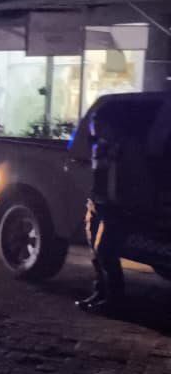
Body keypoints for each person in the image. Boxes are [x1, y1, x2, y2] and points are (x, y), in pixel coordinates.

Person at [77, 104, 127, 312]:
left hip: (112, 206)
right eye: (94, 123)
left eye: (99, 123)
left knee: (105, 252)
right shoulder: (98, 146)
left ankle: (114, 299)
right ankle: (100, 292)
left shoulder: (119, 148)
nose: (95, 127)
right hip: (96, 203)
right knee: (96, 253)